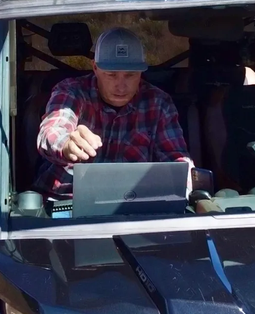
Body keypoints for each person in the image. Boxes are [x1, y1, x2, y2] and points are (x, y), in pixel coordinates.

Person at [33, 27, 193, 198]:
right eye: (111, 74)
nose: (121, 86)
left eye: (130, 75)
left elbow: (176, 160)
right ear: (95, 68)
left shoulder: (159, 103)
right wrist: (66, 145)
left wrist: (187, 188)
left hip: (134, 202)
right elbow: (53, 130)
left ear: (141, 72)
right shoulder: (72, 91)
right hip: (66, 198)